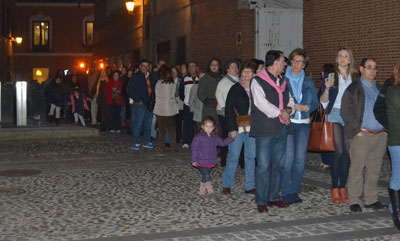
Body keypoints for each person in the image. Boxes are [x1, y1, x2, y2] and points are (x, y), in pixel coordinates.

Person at [341, 58, 387, 213]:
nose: (372, 71)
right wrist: (356, 130)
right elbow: (345, 112)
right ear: (361, 69)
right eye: (369, 67)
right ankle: (354, 199)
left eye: (375, 68)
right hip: (362, 135)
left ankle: (371, 199)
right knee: (357, 168)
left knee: (374, 169)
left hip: (380, 135)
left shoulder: (380, 88)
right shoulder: (354, 88)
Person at [250, 50, 294, 213]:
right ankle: (261, 200)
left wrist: (289, 110)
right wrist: (280, 112)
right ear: (275, 63)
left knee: (279, 165)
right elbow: (261, 103)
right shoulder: (258, 81)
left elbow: (290, 99)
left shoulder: (283, 81)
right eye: (283, 62)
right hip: (265, 130)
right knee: (262, 166)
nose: (285, 65)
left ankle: (274, 197)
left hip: (281, 128)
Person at [320, 48, 358, 204]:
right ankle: (334, 187)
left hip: (349, 115)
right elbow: (322, 101)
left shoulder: (355, 77)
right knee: (339, 151)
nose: (342, 58)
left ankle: (343, 187)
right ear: (336, 59)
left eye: (345, 56)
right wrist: (327, 88)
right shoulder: (331, 76)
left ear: (350, 60)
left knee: (348, 153)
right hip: (334, 113)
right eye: (340, 56)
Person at [281, 49, 319, 205]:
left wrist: (307, 108)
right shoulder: (283, 80)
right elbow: (279, 101)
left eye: (300, 62)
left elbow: (315, 103)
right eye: (294, 60)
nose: (296, 64)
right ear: (290, 61)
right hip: (288, 123)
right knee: (288, 158)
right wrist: (294, 106)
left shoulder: (308, 81)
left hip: (303, 124)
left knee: (300, 159)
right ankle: (285, 190)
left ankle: (294, 190)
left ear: (304, 65)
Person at [222, 61, 257, 195]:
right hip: (237, 126)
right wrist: (232, 128)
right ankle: (227, 184)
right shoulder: (235, 88)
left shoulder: (257, 88)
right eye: (244, 71)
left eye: (249, 72)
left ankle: (250, 185)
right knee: (233, 155)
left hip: (253, 127)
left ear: (254, 74)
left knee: (251, 156)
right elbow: (229, 109)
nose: (245, 74)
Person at [191, 116, 236, 197]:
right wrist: (193, 159)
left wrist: (231, 138)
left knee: (205, 175)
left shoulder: (214, 138)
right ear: (202, 126)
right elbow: (194, 148)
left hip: (210, 160)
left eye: (210, 127)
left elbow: (223, 143)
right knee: (207, 175)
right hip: (200, 160)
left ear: (214, 127)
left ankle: (203, 189)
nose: (208, 128)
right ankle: (208, 189)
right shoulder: (199, 137)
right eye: (206, 126)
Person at [127, 59, 156, 150]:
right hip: (140, 104)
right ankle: (135, 142)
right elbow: (129, 90)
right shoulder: (136, 77)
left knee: (148, 124)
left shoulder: (151, 77)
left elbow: (153, 89)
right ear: (140, 67)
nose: (145, 67)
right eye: (143, 66)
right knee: (138, 123)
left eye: (146, 66)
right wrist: (137, 99)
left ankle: (147, 141)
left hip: (149, 104)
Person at [215, 60, 240, 167]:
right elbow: (218, 95)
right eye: (232, 67)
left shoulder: (239, 80)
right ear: (227, 69)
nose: (235, 69)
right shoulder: (224, 82)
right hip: (224, 112)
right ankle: (224, 159)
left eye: (236, 67)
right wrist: (224, 109)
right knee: (225, 135)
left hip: (236, 112)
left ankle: (237, 158)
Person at [386, 62, 400, 229]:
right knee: (397, 175)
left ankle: (392, 206)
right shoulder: (393, 91)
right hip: (397, 140)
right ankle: (396, 213)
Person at [153, 65, 179, 153]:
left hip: (160, 109)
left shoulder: (158, 83)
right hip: (170, 109)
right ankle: (173, 147)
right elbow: (174, 94)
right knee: (171, 129)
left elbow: (156, 95)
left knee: (161, 130)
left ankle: (162, 148)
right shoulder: (172, 84)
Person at [319, 63, 335, 171]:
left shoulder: (326, 78)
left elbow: (321, 93)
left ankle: (326, 161)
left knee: (326, 136)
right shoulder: (336, 78)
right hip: (334, 111)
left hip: (328, 110)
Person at [179, 61, 199, 148]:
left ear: (196, 67)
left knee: (198, 124)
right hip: (187, 104)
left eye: (193, 66)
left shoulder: (200, 77)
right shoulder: (185, 78)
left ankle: (198, 142)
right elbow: (181, 91)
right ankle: (186, 141)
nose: (191, 68)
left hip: (198, 105)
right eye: (189, 67)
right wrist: (185, 100)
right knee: (187, 124)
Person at [197, 58, 221, 127]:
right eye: (212, 65)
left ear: (219, 67)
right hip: (209, 108)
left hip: (220, 108)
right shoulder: (204, 78)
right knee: (209, 127)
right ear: (209, 66)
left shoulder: (221, 78)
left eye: (216, 65)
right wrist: (210, 102)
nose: (214, 66)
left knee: (218, 128)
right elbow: (200, 93)